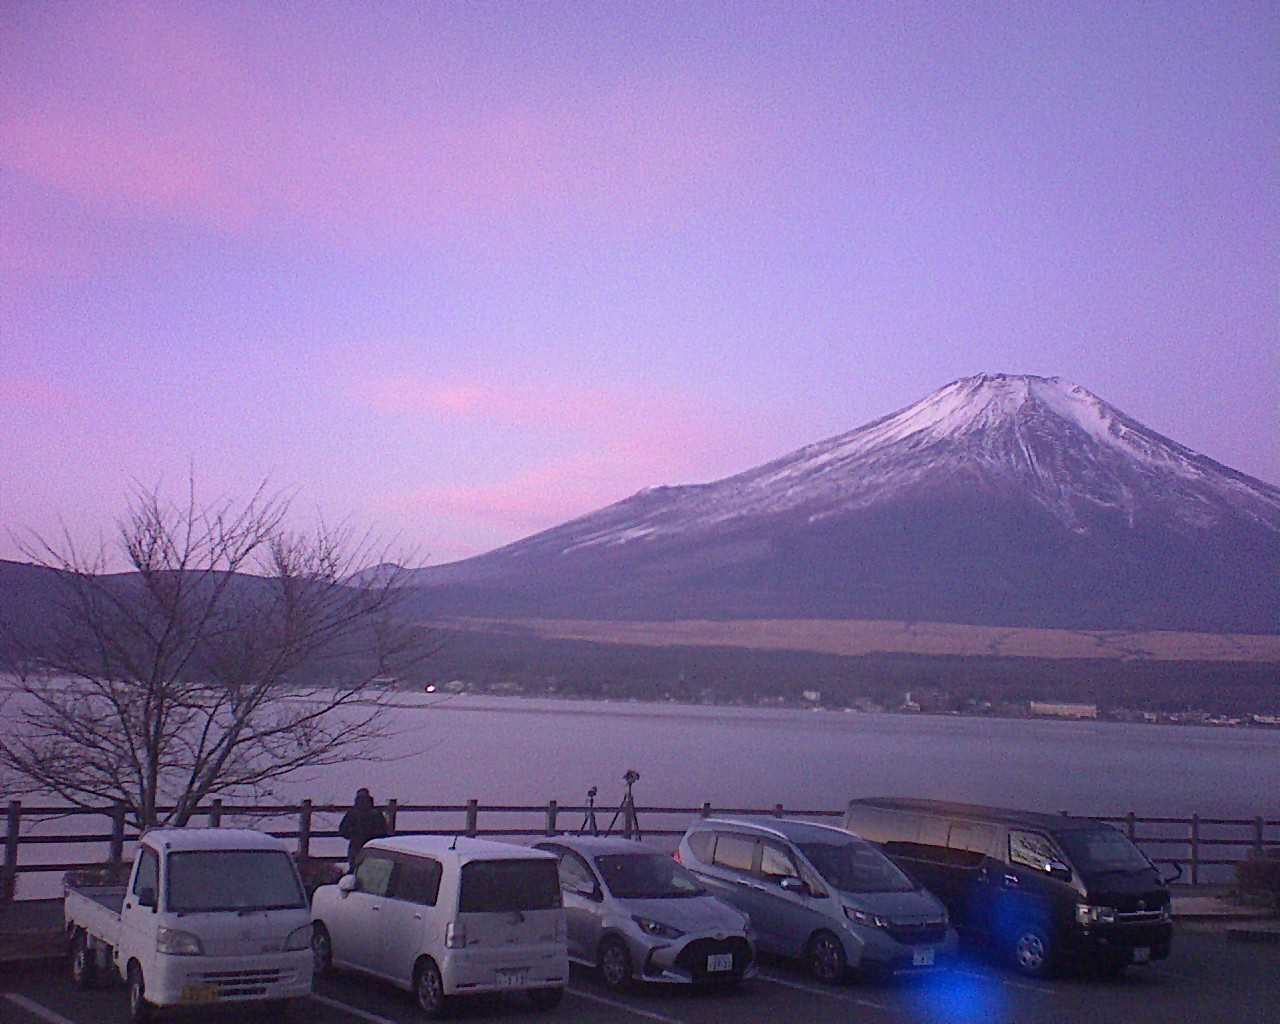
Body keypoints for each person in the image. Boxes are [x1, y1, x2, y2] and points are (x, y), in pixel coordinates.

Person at [338, 788, 389, 865]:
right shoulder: (376, 814)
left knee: (355, 868)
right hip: (371, 847)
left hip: (357, 847)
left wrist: (354, 833)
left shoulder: (352, 813)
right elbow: (383, 833)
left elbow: (343, 831)